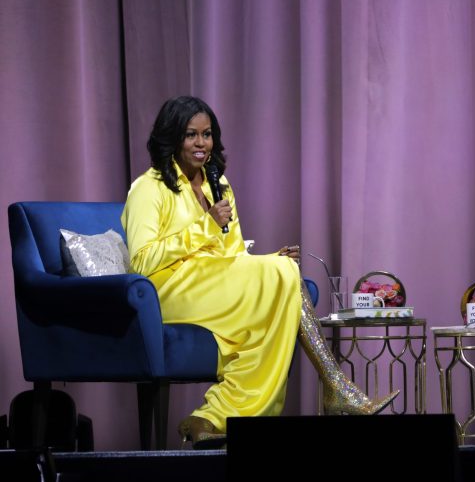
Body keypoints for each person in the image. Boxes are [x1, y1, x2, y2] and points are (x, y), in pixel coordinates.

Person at [121, 95, 397, 449]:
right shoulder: (150, 186)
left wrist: (263, 261)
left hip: (209, 285)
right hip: (167, 291)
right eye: (191, 135)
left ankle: (212, 417)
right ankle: (335, 386)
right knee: (282, 274)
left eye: (207, 134)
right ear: (172, 138)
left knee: (283, 275)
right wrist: (206, 227)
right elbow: (142, 261)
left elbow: (230, 252)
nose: (201, 143)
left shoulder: (217, 185)